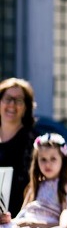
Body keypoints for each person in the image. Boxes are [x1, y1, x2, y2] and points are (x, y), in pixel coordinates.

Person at [0, 78, 36, 217]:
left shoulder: (33, 141)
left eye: (19, 100)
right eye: (8, 98)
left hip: (21, 217)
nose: (12, 104)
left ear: (26, 107)